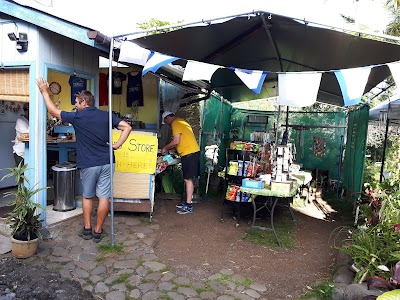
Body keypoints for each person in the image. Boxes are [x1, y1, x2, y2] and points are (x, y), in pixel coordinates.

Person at [36, 77, 132, 242]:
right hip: (108, 161)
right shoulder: (106, 115)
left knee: (87, 196)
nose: (75, 104)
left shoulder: (77, 117)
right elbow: (127, 127)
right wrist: (116, 145)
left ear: (84, 102)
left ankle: (87, 229)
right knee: (104, 197)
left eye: (76, 101)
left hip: (89, 163)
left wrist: (45, 91)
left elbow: (53, 111)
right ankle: (98, 230)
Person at [160, 111, 200, 214]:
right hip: (190, 153)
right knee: (187, 179)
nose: (168, 125)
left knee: (188, 179)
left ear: (168, 118)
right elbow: (181, 141)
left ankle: (188, 206)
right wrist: (173, 150)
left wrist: (165, 147)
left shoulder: (176, 123)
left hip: (190, 154)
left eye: (166, 122)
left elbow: (176, 141)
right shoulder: (181, 121)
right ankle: (186, 202)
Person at [13, 102, 29, 167]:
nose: (27, 111)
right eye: (26, 109)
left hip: (30, 153)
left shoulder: (31, 120)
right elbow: (26, 134)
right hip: (20, 153)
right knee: (22, 176)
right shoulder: (20, 120)